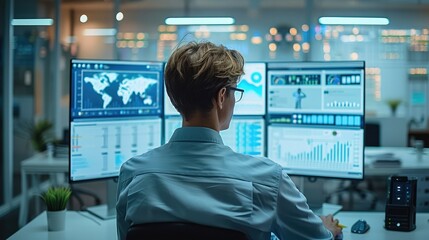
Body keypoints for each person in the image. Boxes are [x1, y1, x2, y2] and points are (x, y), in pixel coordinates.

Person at [116, 41, 342, 240]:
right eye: (234, 91)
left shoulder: (132, 174)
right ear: (221, 96)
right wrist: (328, 231)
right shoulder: (267, 180)